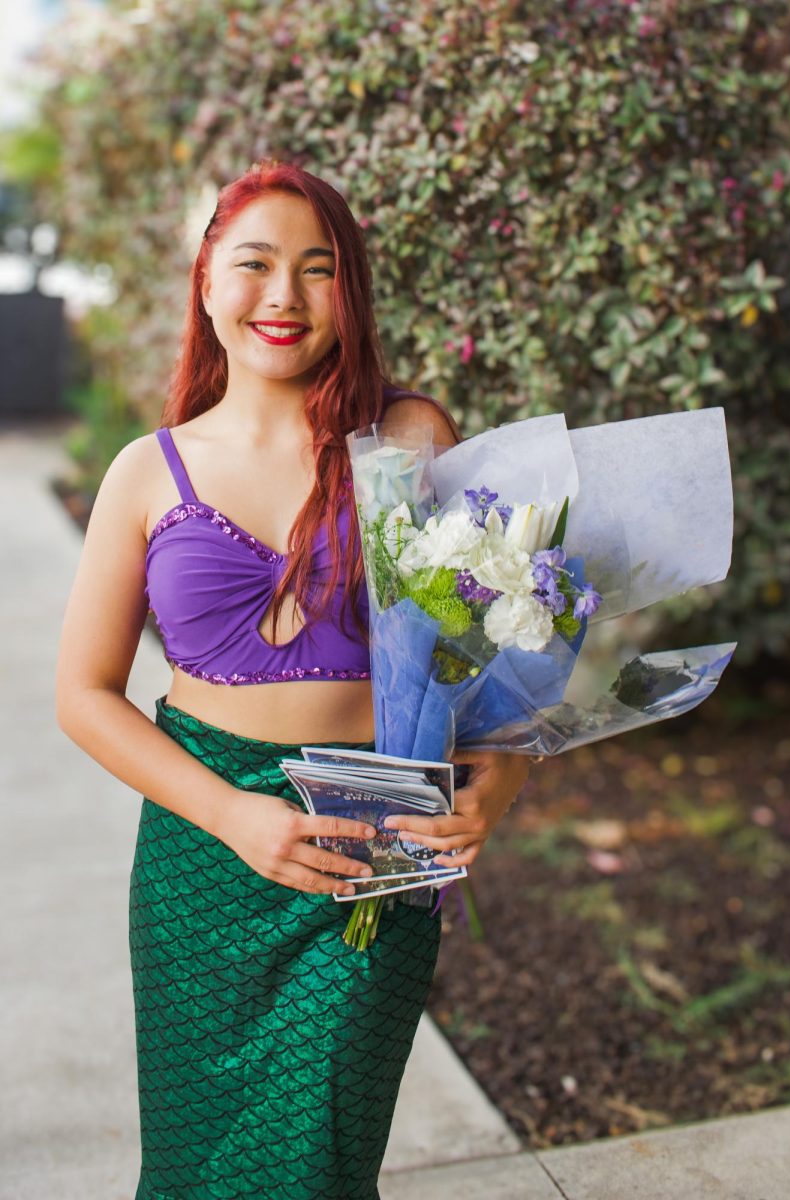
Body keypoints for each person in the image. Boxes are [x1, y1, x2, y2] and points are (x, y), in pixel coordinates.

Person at [55, 160, 530, 1200]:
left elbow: (486, 661)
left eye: (318, 271)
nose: (284, 296)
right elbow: (83, 695)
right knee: (194, 1167)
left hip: (370, 835)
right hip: (199, 856)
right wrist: (233, 816)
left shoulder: (406, 440)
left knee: (314, 1162)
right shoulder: (148, 469)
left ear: (348, 293)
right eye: (255, 264)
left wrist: (492, 785)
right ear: (205, 281)